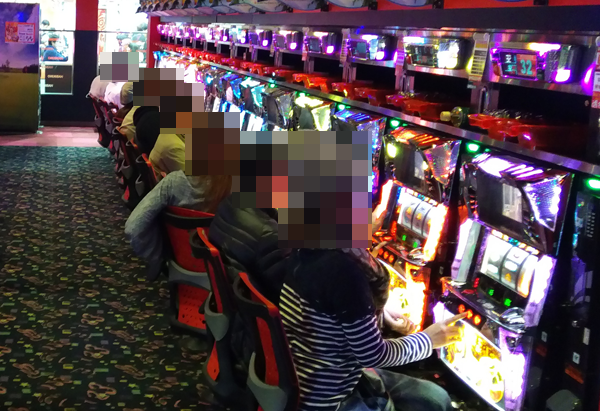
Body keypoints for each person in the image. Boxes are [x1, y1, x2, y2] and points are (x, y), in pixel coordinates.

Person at [280, 242, 466, 411]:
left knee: (433, 397)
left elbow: (329, 316)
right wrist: (428, 340)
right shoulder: (344, 270)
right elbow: (372, 355)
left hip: (301, 379)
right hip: (328, 398)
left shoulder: (306, 250)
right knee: (438, 400)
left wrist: (378, 313)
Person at [124, 171, 232, 280]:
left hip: (180, 264)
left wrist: (158, 258)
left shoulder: (174, 182)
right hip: (227, 275)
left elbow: (133, 228)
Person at [208, 196, 288, 305]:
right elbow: (287, 290)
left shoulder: (229, 201)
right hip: (259, 308)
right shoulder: (270, 235)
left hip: (232, 298)